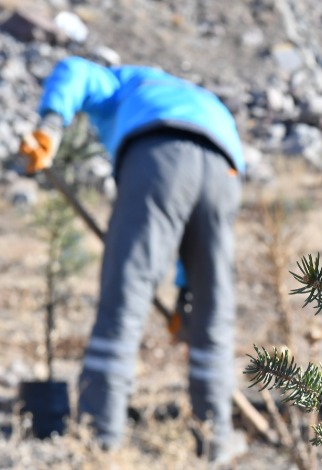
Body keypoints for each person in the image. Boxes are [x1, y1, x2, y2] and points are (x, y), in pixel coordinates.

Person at [19, 56, 245, 462]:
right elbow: (188, 235)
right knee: (211, 318)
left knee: (124, 300)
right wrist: (184, 297)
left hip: (157, 153)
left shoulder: (124, 83)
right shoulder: (194, 95)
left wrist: (50, 125)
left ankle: (98, 443)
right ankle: (216, 446)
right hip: (224, 170)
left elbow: (74, 70)